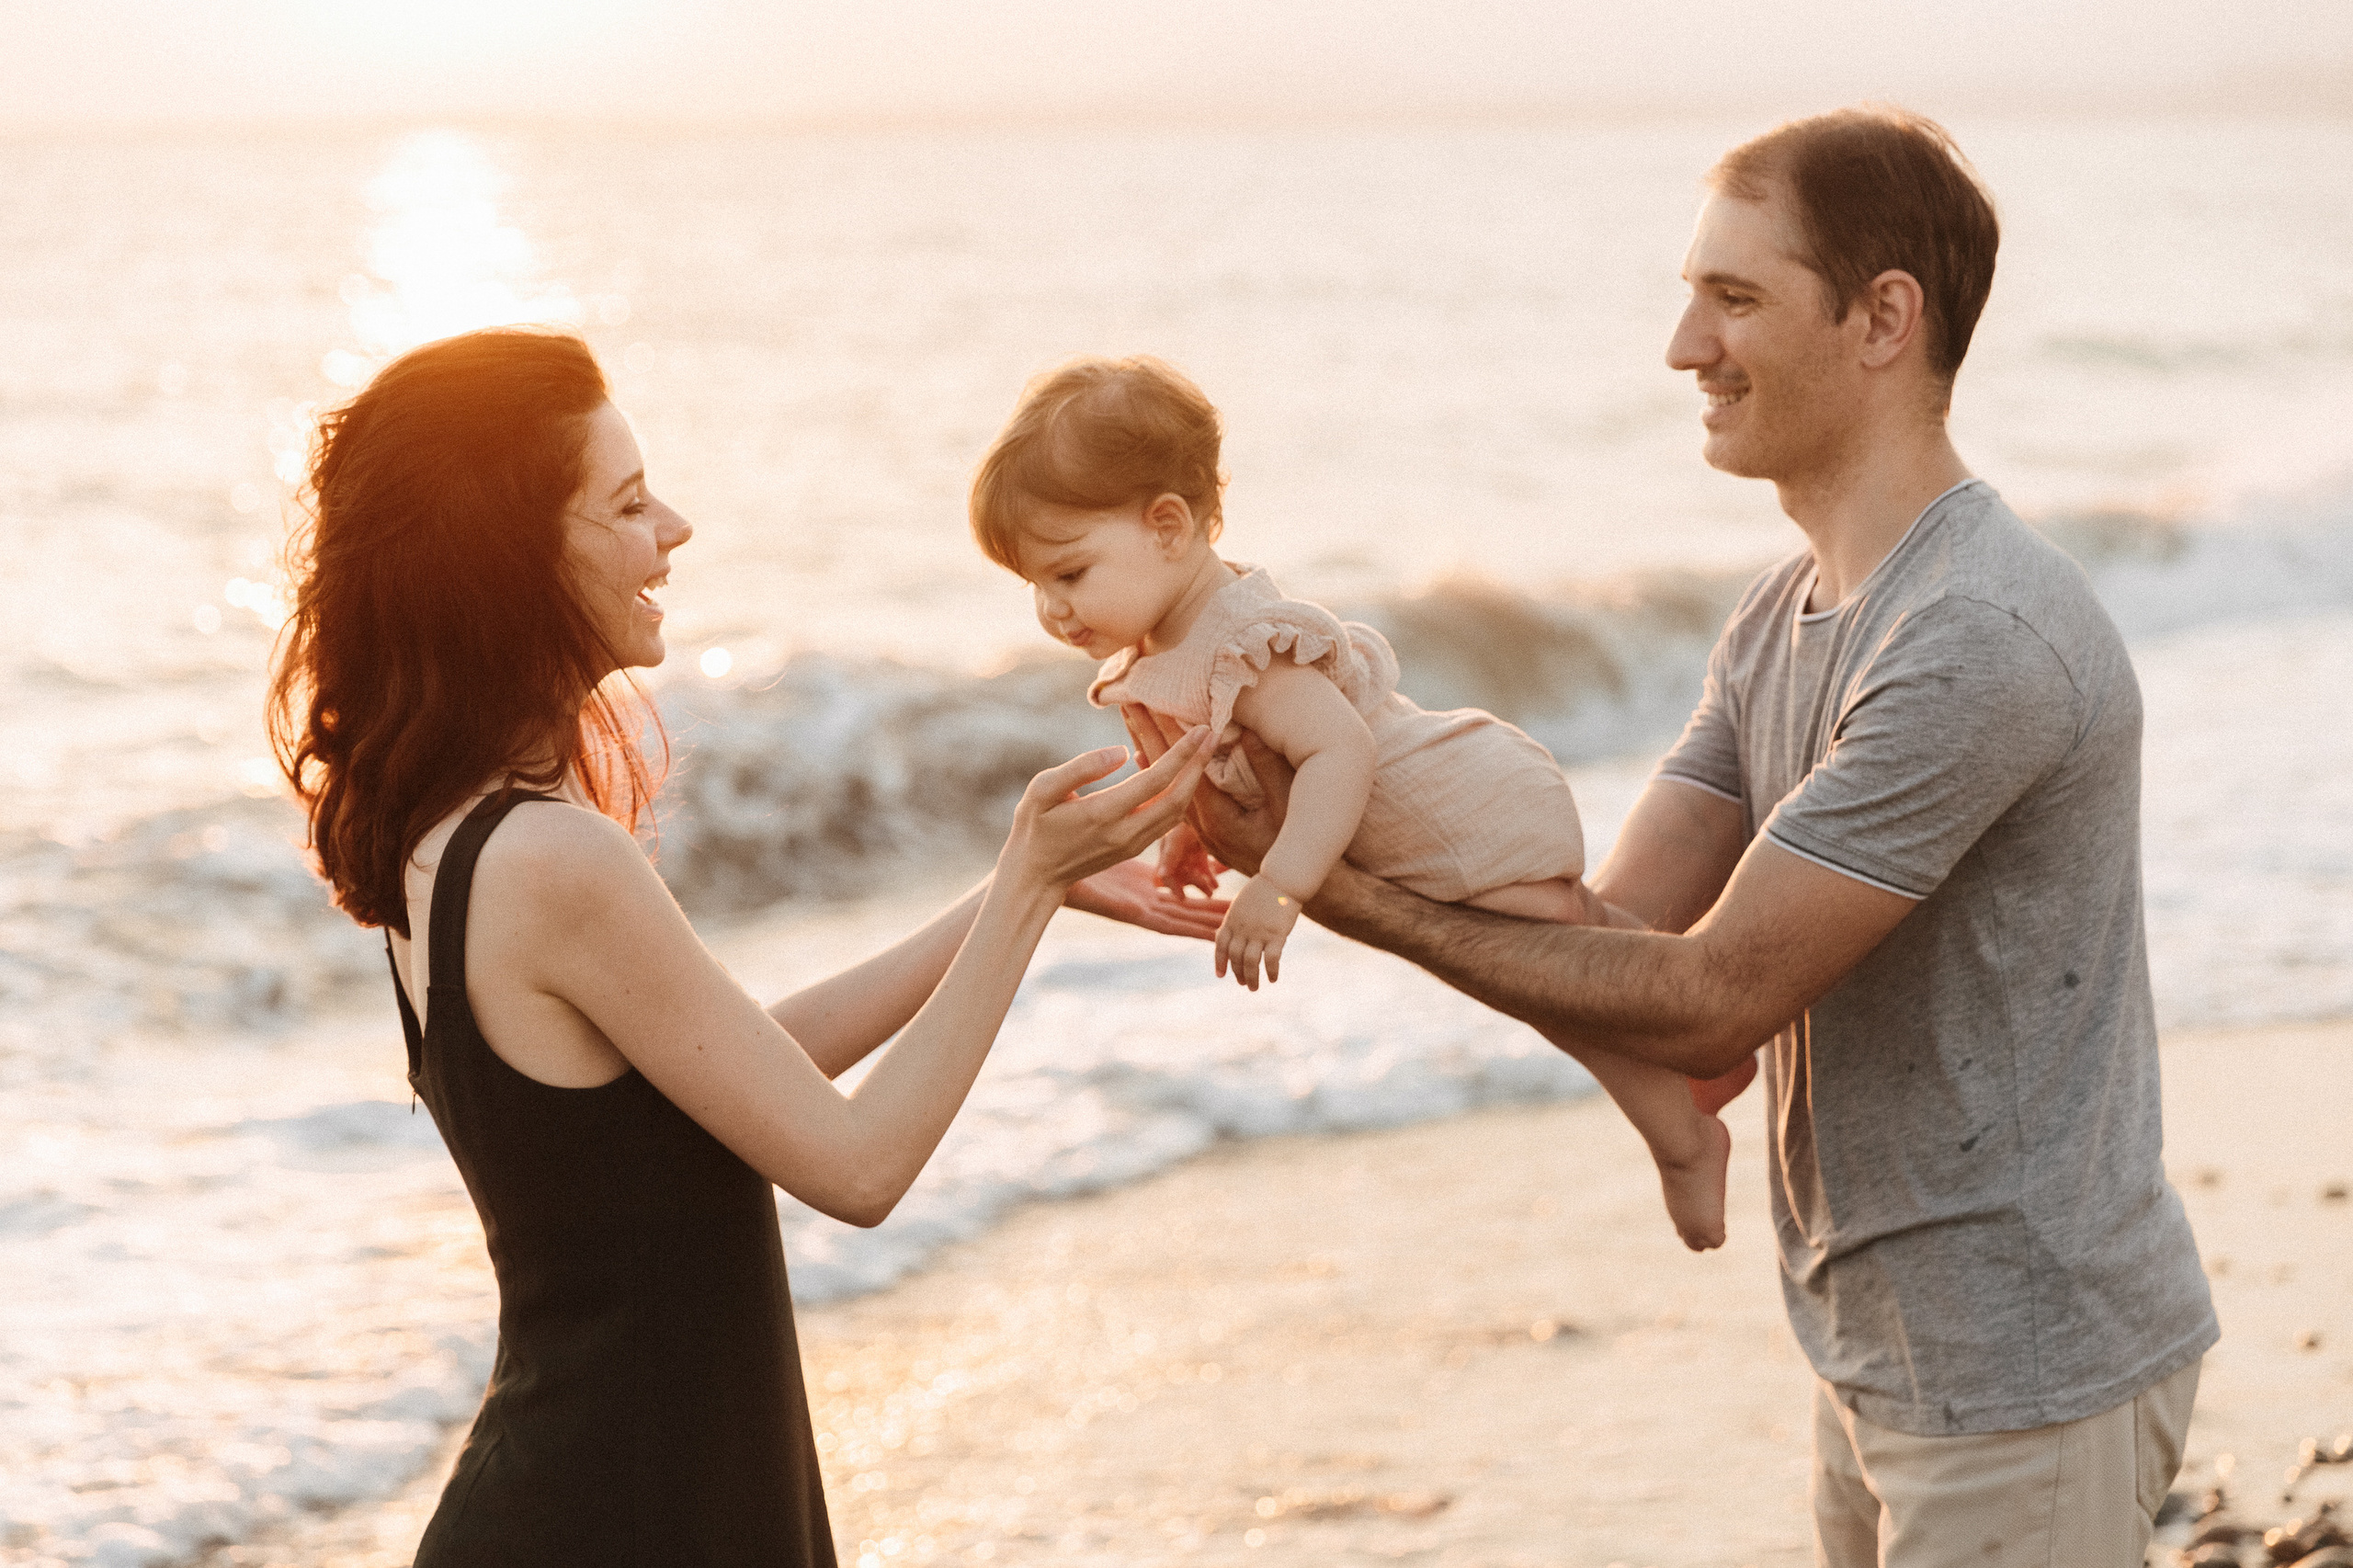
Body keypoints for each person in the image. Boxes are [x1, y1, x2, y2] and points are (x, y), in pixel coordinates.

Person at [1131, 108, 2217, 1564]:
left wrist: (1329, 889)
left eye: (1736, 297)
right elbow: (1605, 939)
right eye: (1690, 293)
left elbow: (1714, 1000)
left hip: (2024, 1367)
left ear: (1884, 318)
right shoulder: (1780, 618)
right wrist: (1320, 756)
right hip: (1878, 1345)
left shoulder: (1975, 637)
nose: (1682, 346)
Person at [267, 327, 1215, 1567]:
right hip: (626, 1521)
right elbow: (861, 1169)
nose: (676, 525)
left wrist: (1023, 893)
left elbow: (736, 1076)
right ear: (513, 557)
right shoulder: (555, 863)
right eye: (625, 501)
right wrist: (1031, 881)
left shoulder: (447, 838)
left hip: (600, 1503)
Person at [968, 355, 1753, 1253]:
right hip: (1422, 822)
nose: (1050, 609)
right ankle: (1699, 1041)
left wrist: (1283, 886)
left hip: (1455, 810)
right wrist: (1195, 837)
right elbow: (1227, 768)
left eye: (1068, 573)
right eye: (1032, 584)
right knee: (1584, 944)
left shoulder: (1241, 641)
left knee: (1557, 984)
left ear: (1168, 526)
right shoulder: (1171, 642)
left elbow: (1339, 749)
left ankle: (1683, 1130)